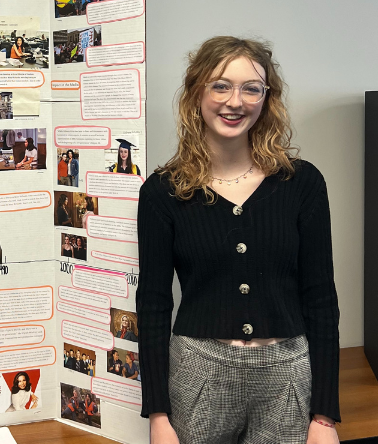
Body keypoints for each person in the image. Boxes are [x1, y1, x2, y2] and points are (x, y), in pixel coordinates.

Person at [138, 36, 340, 444]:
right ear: (197, 91)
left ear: (267, 99)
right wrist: (157, 415)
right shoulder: (164, 191)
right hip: (199, 375)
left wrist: (324, 415)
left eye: (252, 88)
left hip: (287, 376)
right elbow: (155, 304)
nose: (236, 101)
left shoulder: (302, 184)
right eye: (220, 85)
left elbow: (320, 298)